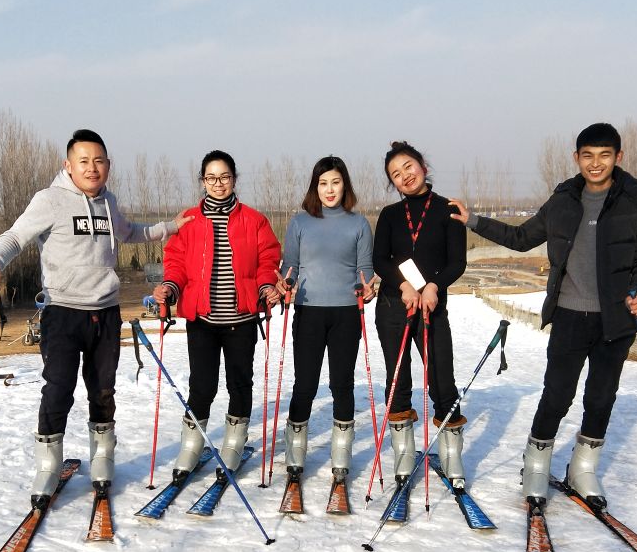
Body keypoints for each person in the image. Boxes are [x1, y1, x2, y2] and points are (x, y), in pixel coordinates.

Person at [450, 121, 637, 507]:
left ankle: (582, 468)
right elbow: (520, 238)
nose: (595, 164)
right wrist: (473, 221)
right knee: (557, 395)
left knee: (601, 397)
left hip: (616, 320)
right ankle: (535, 465)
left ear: (618, 157)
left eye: (604, 156)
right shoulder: (563, 199)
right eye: (588, 156)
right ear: (576, 157)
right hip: (568, 316)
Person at [0, 129, 188, 507]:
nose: (93, 168)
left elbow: (131, 233)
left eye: (99, 161)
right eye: (84, 161)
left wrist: (170, 227)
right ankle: (48, 465)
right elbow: (16, 235)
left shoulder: (109, 202)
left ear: (108, 165)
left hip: (105, 313)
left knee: (103, 389)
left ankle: (103, 457)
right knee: (58, 389)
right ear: (68, 166)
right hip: (62, 312)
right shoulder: (50, 200)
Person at [152, 150, 281, 479]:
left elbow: (268, 260)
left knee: (239, 383)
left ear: (234, 179)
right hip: (202, 320)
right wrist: (169, 286)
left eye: (224, 177)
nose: (218, 184)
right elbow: (177, 263)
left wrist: (267, 286)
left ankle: (235, 441)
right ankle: (192, 445)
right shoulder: (189, 221)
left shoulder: (254, 220)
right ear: (202, 181)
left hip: (241, 319)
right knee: (202, 385)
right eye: (211, 178)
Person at [373, 141, 468, 487]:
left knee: (442, 378)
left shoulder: (448, 209)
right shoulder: (389, 215)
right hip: (393, 306)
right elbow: (381, 259)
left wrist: (433, 286)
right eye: (396, 175)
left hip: (431, 306)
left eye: (408, 167)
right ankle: (403, 452)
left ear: (423, 165)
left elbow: (457, 261)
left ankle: (451, 454)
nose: (404, 176)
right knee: (397, 379)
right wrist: (405, 285)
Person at [276, 155, 375, 483]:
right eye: (323, 183)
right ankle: (294, 456)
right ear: (314, 187)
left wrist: (368, 286)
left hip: (346, 313)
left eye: (335, 182)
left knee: (342, 385)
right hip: (309, 310)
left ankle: (341, 457)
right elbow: (290, 264)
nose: (329, 189)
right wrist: (286, 283)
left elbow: (365, 269)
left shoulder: (358, 223)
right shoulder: (300, 223)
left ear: (344, 184)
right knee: (304, 384)